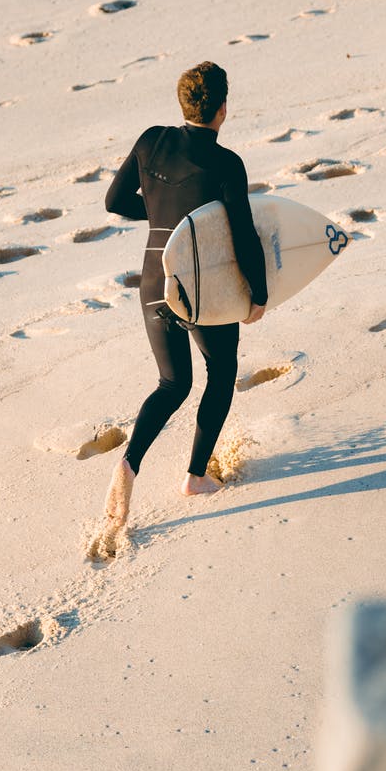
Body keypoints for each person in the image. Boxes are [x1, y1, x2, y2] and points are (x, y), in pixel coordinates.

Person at [100, 61, 267, 533]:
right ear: (223, 109)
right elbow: (242, 234)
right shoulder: (227, 163)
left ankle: (129, 463)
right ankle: (195, 476)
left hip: (154, 278)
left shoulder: (150, 139)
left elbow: (114, 202)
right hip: (200, 286)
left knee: (172, 384)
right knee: (222, 370)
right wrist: (258, 293)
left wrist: (157, 211)